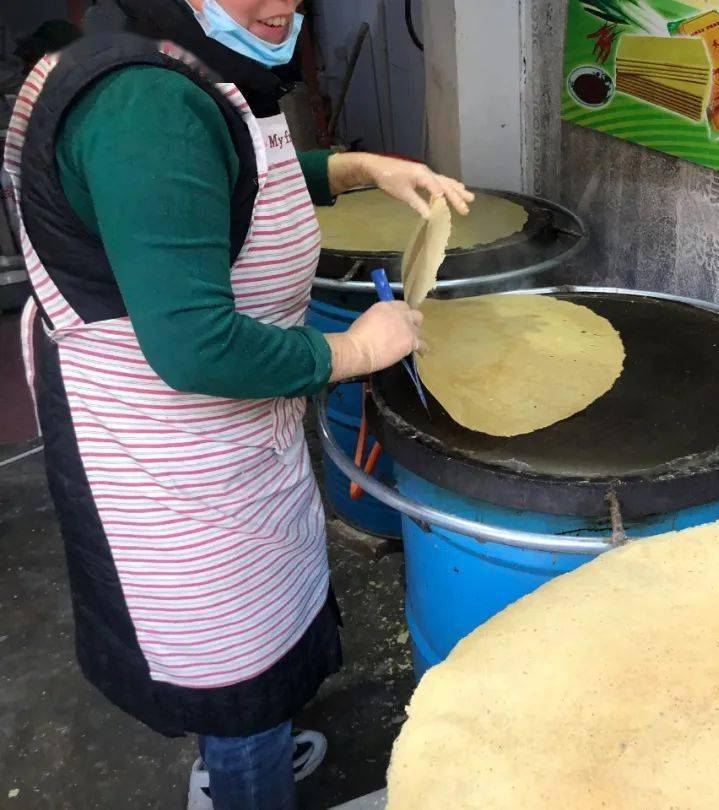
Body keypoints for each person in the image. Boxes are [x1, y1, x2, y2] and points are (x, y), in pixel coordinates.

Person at [3, 1, 474, 808]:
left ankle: (240, 761)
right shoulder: (143, 104)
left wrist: (358, 170)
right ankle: (243, 782)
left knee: (255, 631)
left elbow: (213, 176)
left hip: (222, 435)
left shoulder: (178, 59)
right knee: (231, 659)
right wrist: (356, 349)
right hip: (164, 450)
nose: (279, 5)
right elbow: (194, 346)